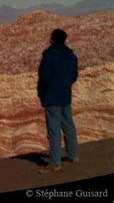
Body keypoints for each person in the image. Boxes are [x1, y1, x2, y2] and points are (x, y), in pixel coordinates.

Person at [37, 28, 79, 173]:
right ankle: (73, 155)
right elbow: (74, 76)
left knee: (54, 130)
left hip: (51, 96)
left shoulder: (49, 56)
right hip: (65, 95)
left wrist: (42, 93)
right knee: (68, 125)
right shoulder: (71, 56)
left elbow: (44, 77)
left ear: (53, 39)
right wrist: (65, 85)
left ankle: (55, 164)